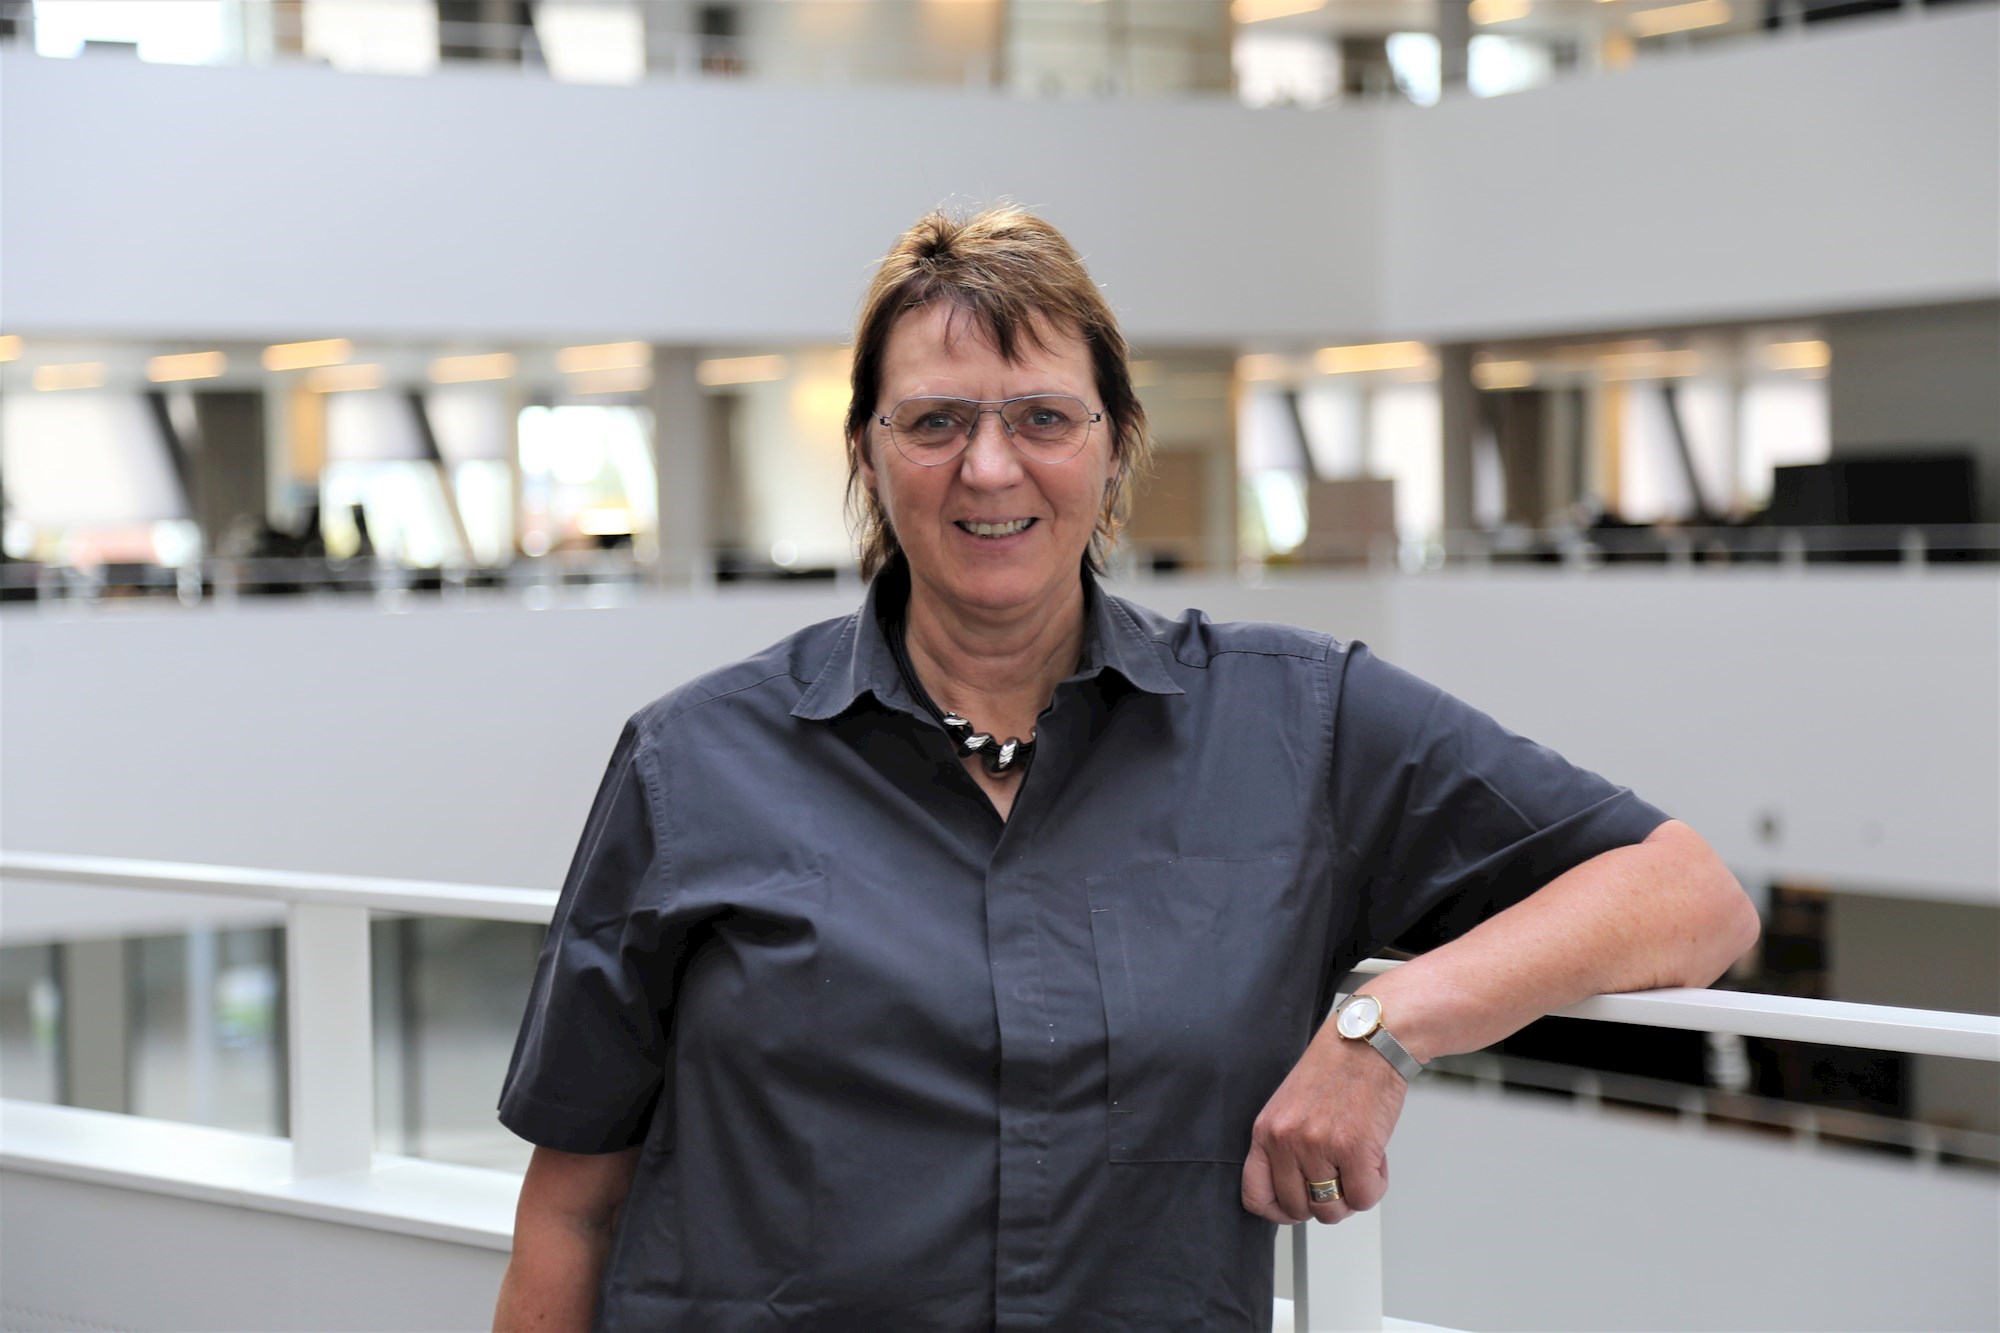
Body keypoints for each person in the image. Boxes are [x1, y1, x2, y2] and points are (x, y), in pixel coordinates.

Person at [493, 208, 1760, 1331]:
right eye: (933, 422)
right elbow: (571, 1207)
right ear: (868, 456)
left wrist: (1384, 1029)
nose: (989, 467)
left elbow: (1688, 894)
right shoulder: (691, 762)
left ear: (1114, 450)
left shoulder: (1297, 723)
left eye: (1042, 418)